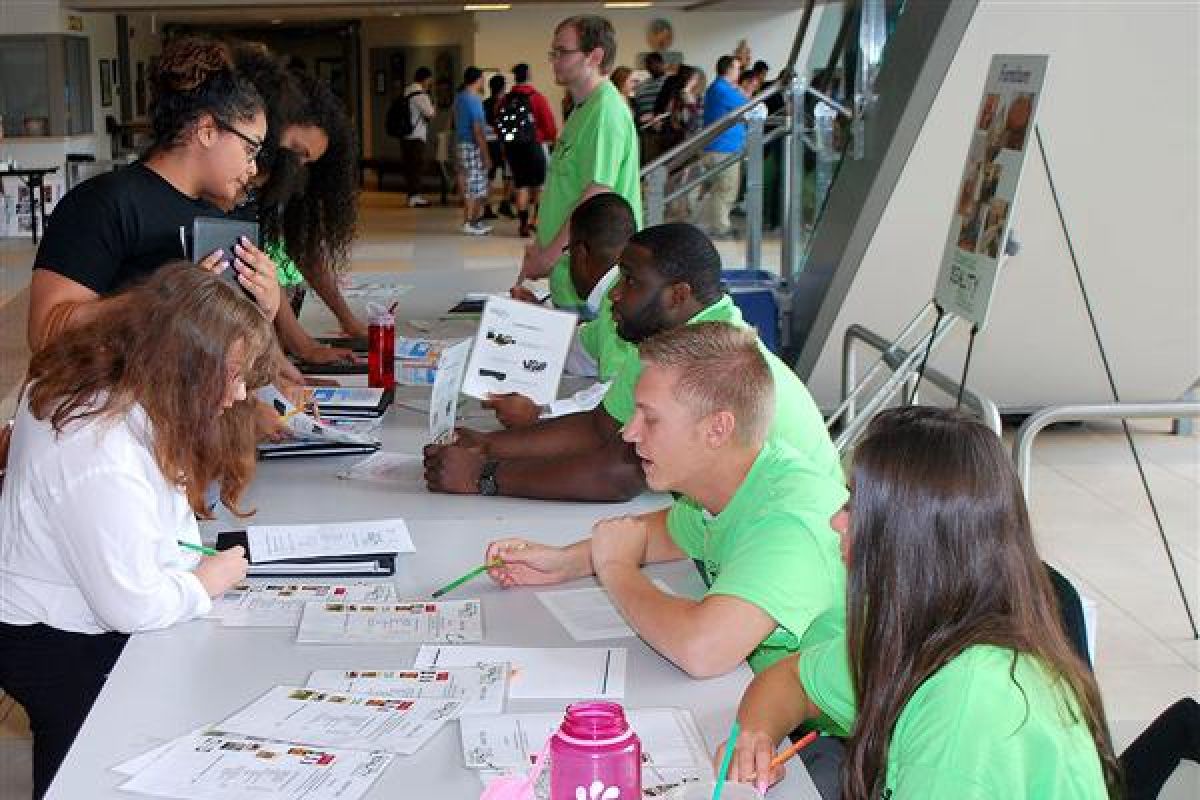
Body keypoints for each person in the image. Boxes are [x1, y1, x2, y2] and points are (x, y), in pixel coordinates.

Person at [718, 407, 1121, 800]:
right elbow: (791, 678)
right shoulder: (932, 629)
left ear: (906, 539)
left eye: (855, 506)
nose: (836, 522)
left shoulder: (966, 704)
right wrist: (755, 738)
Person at [0, 265, 267, 798]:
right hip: (50, 637)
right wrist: (205, 582)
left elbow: (155, 513)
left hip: (72, 605)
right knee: (95, 763)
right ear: (184, 365)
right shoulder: (100, 449)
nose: (238, 394)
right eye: (232, 374)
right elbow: (128, 605)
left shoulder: (121, 383)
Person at [483, 323, 847, 680]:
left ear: (717, 429)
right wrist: (566, 562)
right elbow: (672, 532)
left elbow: (702, 651)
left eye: (650, 419)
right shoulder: (738, 478)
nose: (629, 432)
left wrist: (616, 568)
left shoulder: (792, 520)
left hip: (833, 735)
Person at [424, 223, 840, 503]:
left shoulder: (708, 359)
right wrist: (487, 444)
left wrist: (485, 476)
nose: (616, 295)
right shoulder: (676, 340)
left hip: (797, 544)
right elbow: (599, 428)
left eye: (631, 282)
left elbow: (618, 473)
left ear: (678, 295)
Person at [27, 36, 281, 350]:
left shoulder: (220, 218)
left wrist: (263, 311)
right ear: (207, 131)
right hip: (118, 396)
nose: (253, 168)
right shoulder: (104, 203)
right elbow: (45, 332)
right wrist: (159, 301)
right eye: (250, 148)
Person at [230, 45, 364, 371]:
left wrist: (348, 322)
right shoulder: (234, 184)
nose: (297, 165)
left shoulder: (279, 179)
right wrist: (298, 344)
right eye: (297, 150)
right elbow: (253, 268)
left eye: (306, 161)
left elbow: (305, 248)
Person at [516, 15, 642, 312]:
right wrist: (541, 248)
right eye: (553, 53)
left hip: (594, 279)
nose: (555, 60)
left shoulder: (605, 112)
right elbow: (567, 188)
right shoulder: (581, 109)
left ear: (594, 56)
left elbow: (595, 195)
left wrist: (547, 257)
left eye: (563, 52)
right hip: (569, 273)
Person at [487, 191, 636, 429]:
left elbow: (619, 396)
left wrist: (540, 414)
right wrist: (535, 321)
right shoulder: (617, 298)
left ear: (580, 254)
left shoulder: (620, 303)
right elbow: (580, 352)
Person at [500, 63, 558, 239]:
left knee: (521, 185)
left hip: (513, 148)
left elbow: (499, 122)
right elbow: (549, 124)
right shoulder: (536, 97)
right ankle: (535, 220)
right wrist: (549, 137)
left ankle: (523, 225)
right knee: (539, 186)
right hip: (534, 145)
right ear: (529, 75)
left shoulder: (506, 99)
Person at [699, 54, 746, 239]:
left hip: (722, 147)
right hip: (722, 148)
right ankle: (720, 226)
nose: (739, 72)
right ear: (729, 70)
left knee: (721, 188)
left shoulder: (719, 88)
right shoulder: (723, 89)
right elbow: (747, 106)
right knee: (725, 188)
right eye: (737, 68)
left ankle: (718, 223)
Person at [454, 66, 492, 236]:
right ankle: (471, 222)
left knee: (469, 184)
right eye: (482, 78)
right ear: (478, 79)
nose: (483, 81)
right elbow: (477, 130)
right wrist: (486, 155)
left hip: (461, 144)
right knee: (476, 185)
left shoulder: (459, 98)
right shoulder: (474, 100)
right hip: (472, 145)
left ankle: (470, 221)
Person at [398, 66, 435, 208]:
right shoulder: (421, 95)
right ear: (425, 79)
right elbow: (430, 113)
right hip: (416, 136)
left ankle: (411, 196)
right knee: (416, 167)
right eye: (429, 80)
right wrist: (433, 106)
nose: (430, 82)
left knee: (409, 167)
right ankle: (415, 197)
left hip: (404, 135)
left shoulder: (406, 91)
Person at [481, 73, 509, 221]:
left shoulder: (484, 104)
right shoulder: (505, 103)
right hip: (503, 143)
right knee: (508, 175)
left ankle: (487, 207)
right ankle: (505, 203)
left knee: (489, 177)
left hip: (489, 142)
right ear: (503, 87)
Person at [633, 51, 667, 130]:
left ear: (662, 64)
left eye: (655, 63)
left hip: (664, 127)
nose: (652, 66)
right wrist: (640, 119)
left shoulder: (670, 82)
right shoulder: (641, 85)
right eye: (649, 63)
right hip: (644, 128)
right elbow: (636, 108)